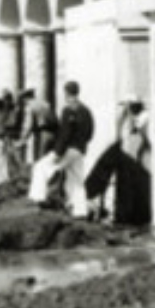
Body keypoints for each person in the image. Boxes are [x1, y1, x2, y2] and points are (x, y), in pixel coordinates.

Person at [83, 99, 152, 226]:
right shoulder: (140, 121)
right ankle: (91, 191)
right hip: (140, 169)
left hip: (145, 174)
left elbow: (125, 140)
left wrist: (122, 120)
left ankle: (90, 190)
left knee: (114, 156)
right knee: (114, 157)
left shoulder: (144, 121)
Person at [54, 81, 95, 218]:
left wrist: (58, 152)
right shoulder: (85, 109)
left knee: (52, 171)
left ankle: (70, 205)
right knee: (77, 179)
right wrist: (83, 143)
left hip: (70, 148)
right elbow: (90, 132)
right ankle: (79, 209)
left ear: (66, 92)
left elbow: (65, 134)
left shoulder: (68, 109)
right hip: (81, 149)